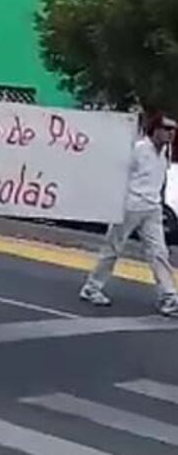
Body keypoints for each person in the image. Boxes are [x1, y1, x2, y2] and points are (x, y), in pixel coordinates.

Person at [80, 115, 178, 317]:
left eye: (174, 129)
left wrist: (159, 201)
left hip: (152, 209)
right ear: (155, 129)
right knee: (113, 247)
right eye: (167, 128)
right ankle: (92, 287)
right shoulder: (139, 149)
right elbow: (118, 174)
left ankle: (169, 297)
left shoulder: (165, 152)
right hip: (130, 206)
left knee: (159, 253)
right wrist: (116, 202)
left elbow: (160, 179)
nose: (171, 133)